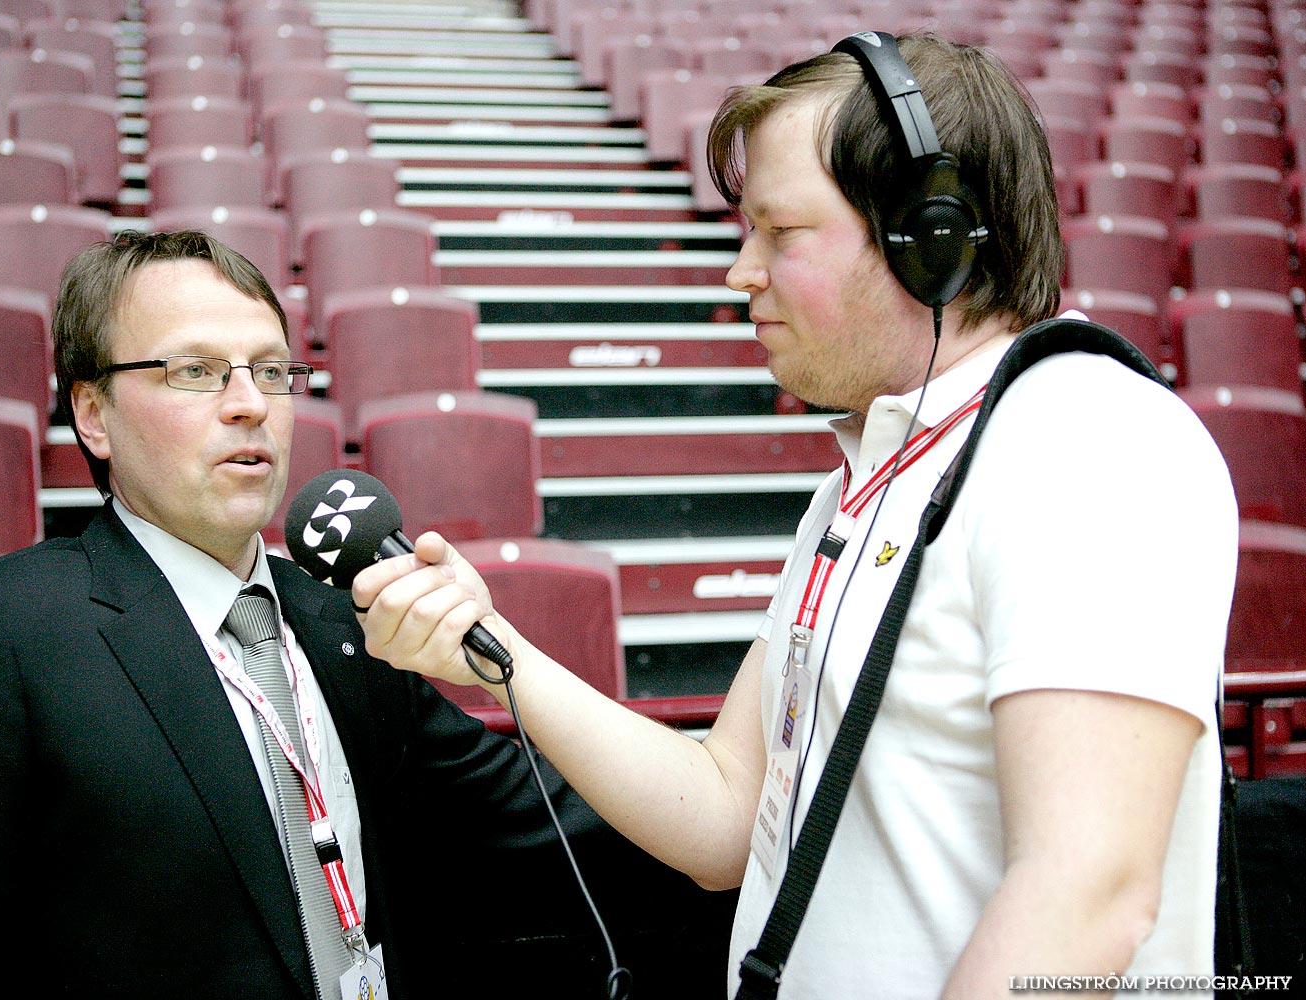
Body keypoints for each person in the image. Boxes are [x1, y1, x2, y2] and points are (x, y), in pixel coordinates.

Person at [349, 32, 1240, 1000]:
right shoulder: (870, 477)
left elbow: (1085, 894)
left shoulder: (1079, 437)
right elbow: (725, 820)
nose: (741, 272)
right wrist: (490, 649)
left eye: (779, 232)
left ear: (928, 237)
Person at [0, 230, 640, 999]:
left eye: (270, 371)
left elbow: (560, 831)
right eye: (196, 371)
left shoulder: (344, 623)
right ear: (92, 414)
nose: (249, 405)